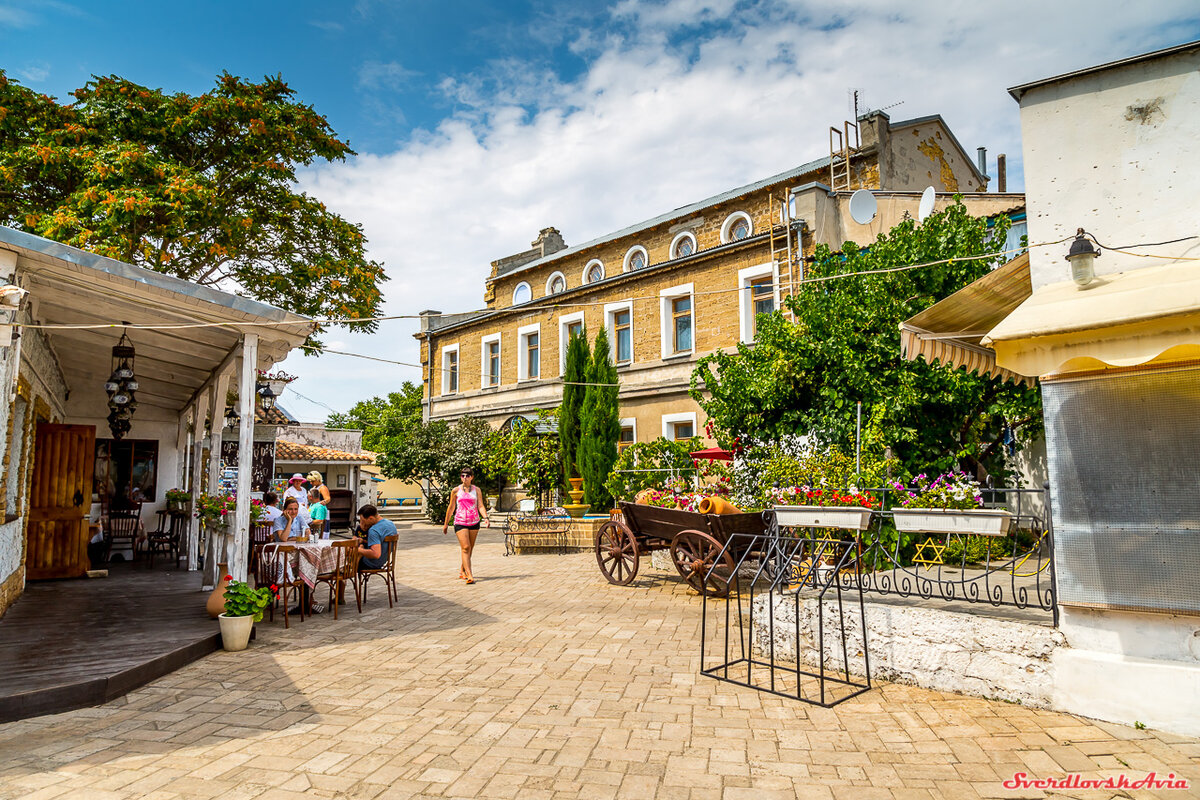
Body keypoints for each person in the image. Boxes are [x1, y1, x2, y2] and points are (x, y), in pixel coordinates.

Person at [442, 467, 489, 584]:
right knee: (466, 547)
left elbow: (481, 506)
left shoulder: (476, 490)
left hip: (474, 522)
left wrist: (486, 518)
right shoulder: (455, 490)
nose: (465, 478)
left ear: (472, 477)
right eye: (463, 476)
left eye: (467, 476)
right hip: (460, 522)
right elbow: (451, 507)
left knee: (469, 549)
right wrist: (446, 523)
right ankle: (470, 575)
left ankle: (462, 570)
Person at [356, 505, 396, 571]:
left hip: (371, 563)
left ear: (371, 518)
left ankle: (340, 580)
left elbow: (376, 554)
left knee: (343, 561)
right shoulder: (390, 524)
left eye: (363, 521)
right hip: (384, 561)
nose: (363, 523)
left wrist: (359, 550)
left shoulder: (374, 530)